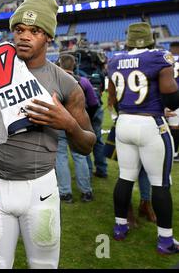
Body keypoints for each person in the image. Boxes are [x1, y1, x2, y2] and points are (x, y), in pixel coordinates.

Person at [0, 0, 96, 269]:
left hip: (41, 190)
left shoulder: (66, 84)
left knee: (44, 265)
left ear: (48, 36)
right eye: (19, 29)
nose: (24, 36)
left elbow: (87, 145)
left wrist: (68, 124)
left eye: (34, 31)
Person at [108, 22, 179, 254]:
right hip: (150, 123)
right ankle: (165, 241)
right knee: (160, 182)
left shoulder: (114, 59)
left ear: (128, 40)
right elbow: (171, 100)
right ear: (151, 39)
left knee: (125, 177)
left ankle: (120, 227)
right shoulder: (160, 57)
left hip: (124, 121)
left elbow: (113, 99)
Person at [56, 53, 97, 203]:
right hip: (78, 122)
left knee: (60, 157)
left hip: (59, 123)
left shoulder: (54, 81)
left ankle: (65, 193)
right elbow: (93, 103)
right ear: (74, 65)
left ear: (60, 65)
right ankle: (86, 191)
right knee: (80, 157)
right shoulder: (84, 81)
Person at [165, 42, 179, 161]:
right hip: (175, 93)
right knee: (174, 125)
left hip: (168, 94)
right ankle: (174, 152)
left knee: (170, 125)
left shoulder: (166, 58)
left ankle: (172, 152)